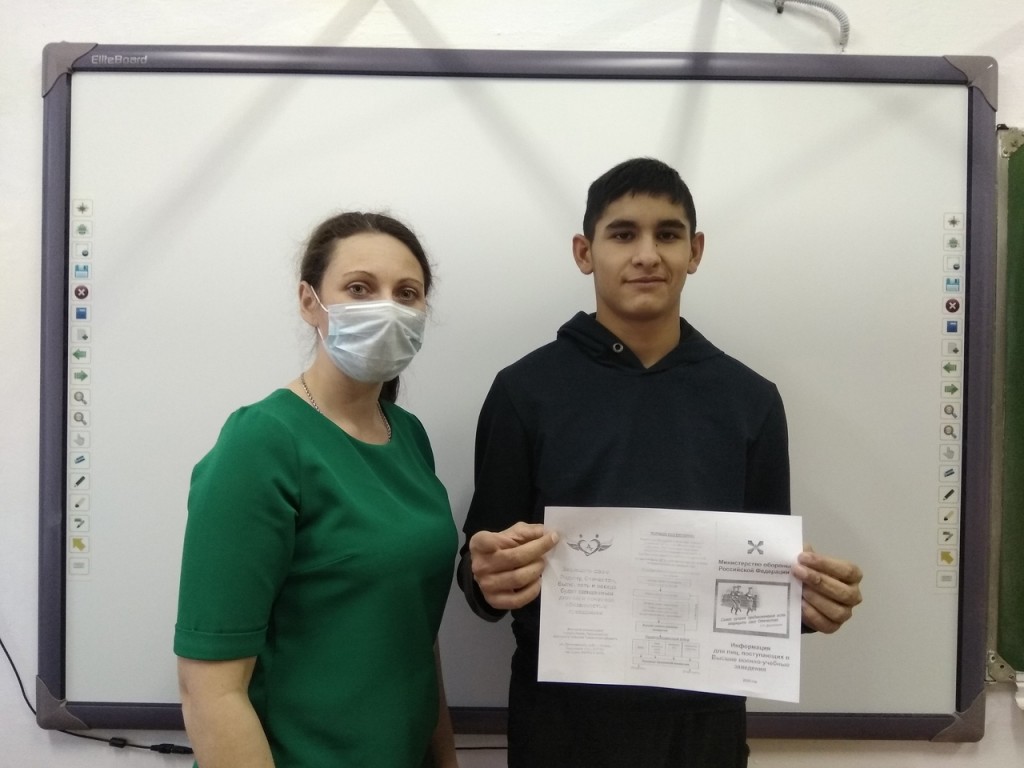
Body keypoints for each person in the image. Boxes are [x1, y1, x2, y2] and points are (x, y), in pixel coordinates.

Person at [457, 158, 863, 768]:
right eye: (623, 234)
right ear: (584, 252)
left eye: (667, 234)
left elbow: (760, 571)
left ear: (694, 251)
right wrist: (489, 579)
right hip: (560, 725)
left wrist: (808, 605)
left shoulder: (750, 400)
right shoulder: (524, 391)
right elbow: (479, 570)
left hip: (703, 727)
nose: (647, 254)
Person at [175, 211, 459, 768]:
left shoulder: (408, 435)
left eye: (407, 293)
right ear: (310, 302)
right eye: (359, 288)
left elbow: (415, 632)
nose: (387, 308)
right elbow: (210, 690)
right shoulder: (262, 442)